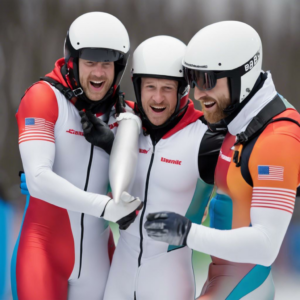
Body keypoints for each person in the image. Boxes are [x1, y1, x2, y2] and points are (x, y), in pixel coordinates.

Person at [145, 21, 300, 299]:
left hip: (245, 288)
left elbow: (266, 245)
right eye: (193, 79)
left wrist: (186, 232)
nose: (197, 93)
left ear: (243, 76)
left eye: (206, 80)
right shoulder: (235, 120)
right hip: (219, 282)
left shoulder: (277, 138)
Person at [12, 12, 141, 300]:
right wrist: (106, 207)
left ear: (118, 67)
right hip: (43, 254)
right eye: (90, 62)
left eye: (106, 63)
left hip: (99, 260)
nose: (98, 73)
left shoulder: (127, 115)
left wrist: (115, 146)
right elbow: (38, 179)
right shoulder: (43, 97)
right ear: (72, 62)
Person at [99, 35, 225, 300]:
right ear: (137, 86)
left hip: (169, 278)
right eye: (150, 87)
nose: (157, 98)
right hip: (120, 274)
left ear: (183, 90)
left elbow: (253, 168)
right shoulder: (125, 124)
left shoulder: (206, 137)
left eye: (167, 88)